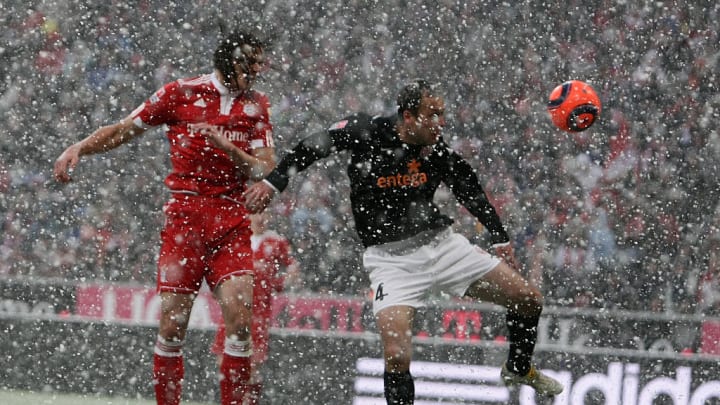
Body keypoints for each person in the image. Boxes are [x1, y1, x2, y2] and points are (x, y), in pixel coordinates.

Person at [242, 80, 564, 404]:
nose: (441, 122)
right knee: (396, 355)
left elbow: (470, 190)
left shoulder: (437, 150)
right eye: (433, 114)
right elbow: (312, 146)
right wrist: (273, 183)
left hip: (443, 247)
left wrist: (500, 238)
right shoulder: (365, 131)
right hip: (391, 261)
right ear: (408, 116)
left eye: (442, 113)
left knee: (529, 300)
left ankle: (518, 368)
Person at [53, 29, 276, 405]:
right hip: (185, 220)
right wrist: (80, 147)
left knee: (240, 323)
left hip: (231, 219)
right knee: (172, 327)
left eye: (258, 63)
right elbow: (125, 129)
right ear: (228, 60)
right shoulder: (180, 93)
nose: (255, 70)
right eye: (248, 62)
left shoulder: (256, 106)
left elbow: (264, 168)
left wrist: (229, 149)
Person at [211, 211, 301, 404]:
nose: (260, 218)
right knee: (224, 362)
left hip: (258, 314)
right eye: (256, 214)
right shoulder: (236, 238)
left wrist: (278, 283)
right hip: (232, 311)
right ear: (247, 215)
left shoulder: (277, 242)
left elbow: (294, 269)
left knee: (251, 366)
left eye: (264, 214)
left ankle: (249, 401)